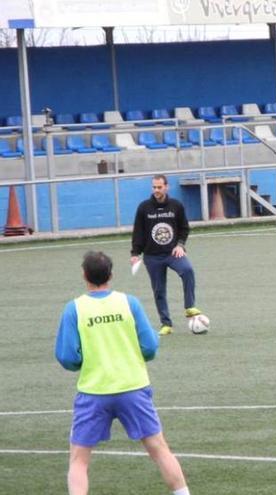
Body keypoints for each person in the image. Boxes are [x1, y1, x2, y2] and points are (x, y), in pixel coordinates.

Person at [54, 251, 190, 495]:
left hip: (94, 391)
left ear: (84, 275)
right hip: (133, 387)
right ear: (111, 275)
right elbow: (150, 346)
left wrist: (83, 362)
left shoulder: (74, 308)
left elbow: (67, 357)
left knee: (78, 461)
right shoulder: (129, 303)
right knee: (159, 450)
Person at [131, 174, 202, 336]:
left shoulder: (176, 206)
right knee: (159, 290)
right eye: (154, 187)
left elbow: (184, 228)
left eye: (159, 187)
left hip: (172, 253)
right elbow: (138, 232)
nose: (156, 190)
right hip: (152, 256)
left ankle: (190, 307)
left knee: (188, 270)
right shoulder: (144, 207)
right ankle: (166, 324)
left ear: (166, 187)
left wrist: (180, 245)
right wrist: (135, 253)